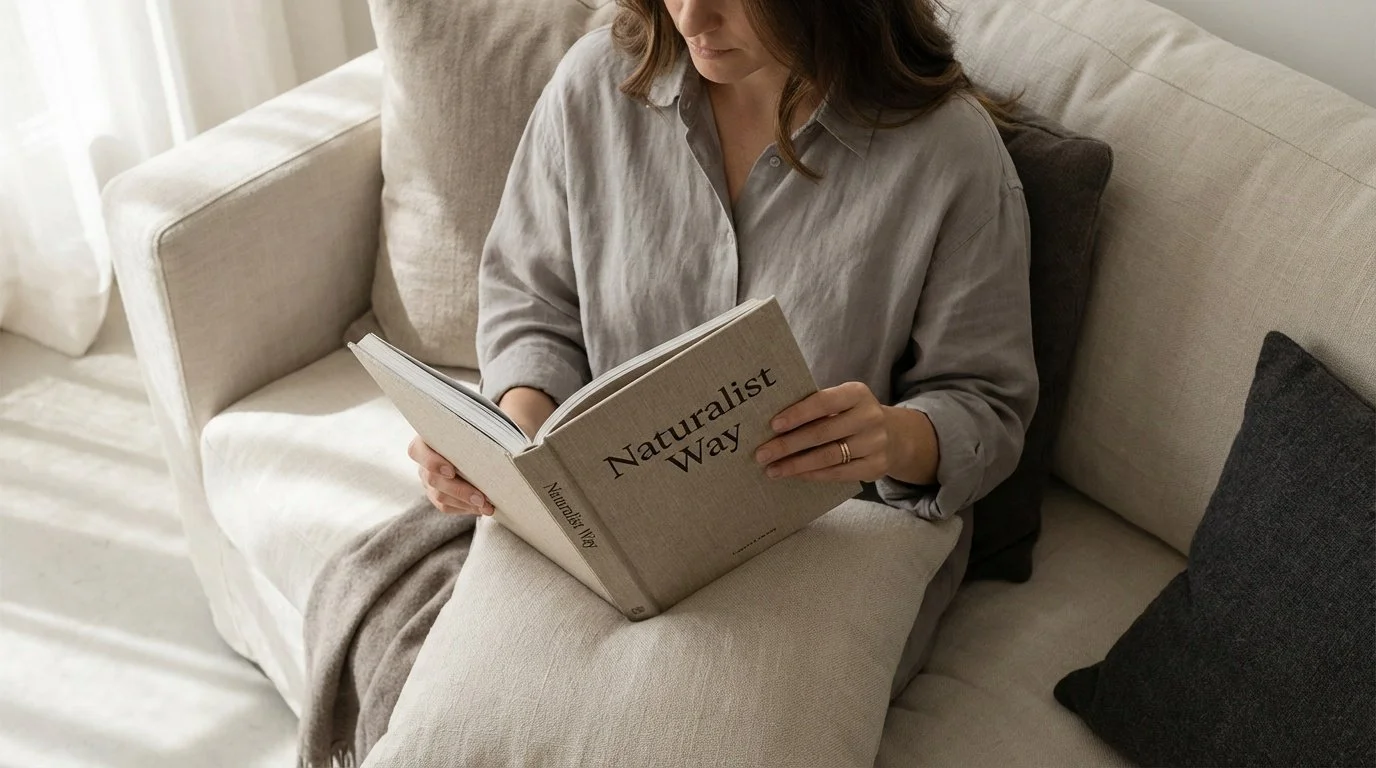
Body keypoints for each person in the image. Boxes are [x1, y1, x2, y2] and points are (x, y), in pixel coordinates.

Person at [408, 0, 1037, 695]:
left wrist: (892, 437)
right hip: (610, 527)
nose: (692, 19)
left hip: (825, 544)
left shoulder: (949, 153)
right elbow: (533, 300)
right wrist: (514, 440)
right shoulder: (597, 83)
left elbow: (988, 405)